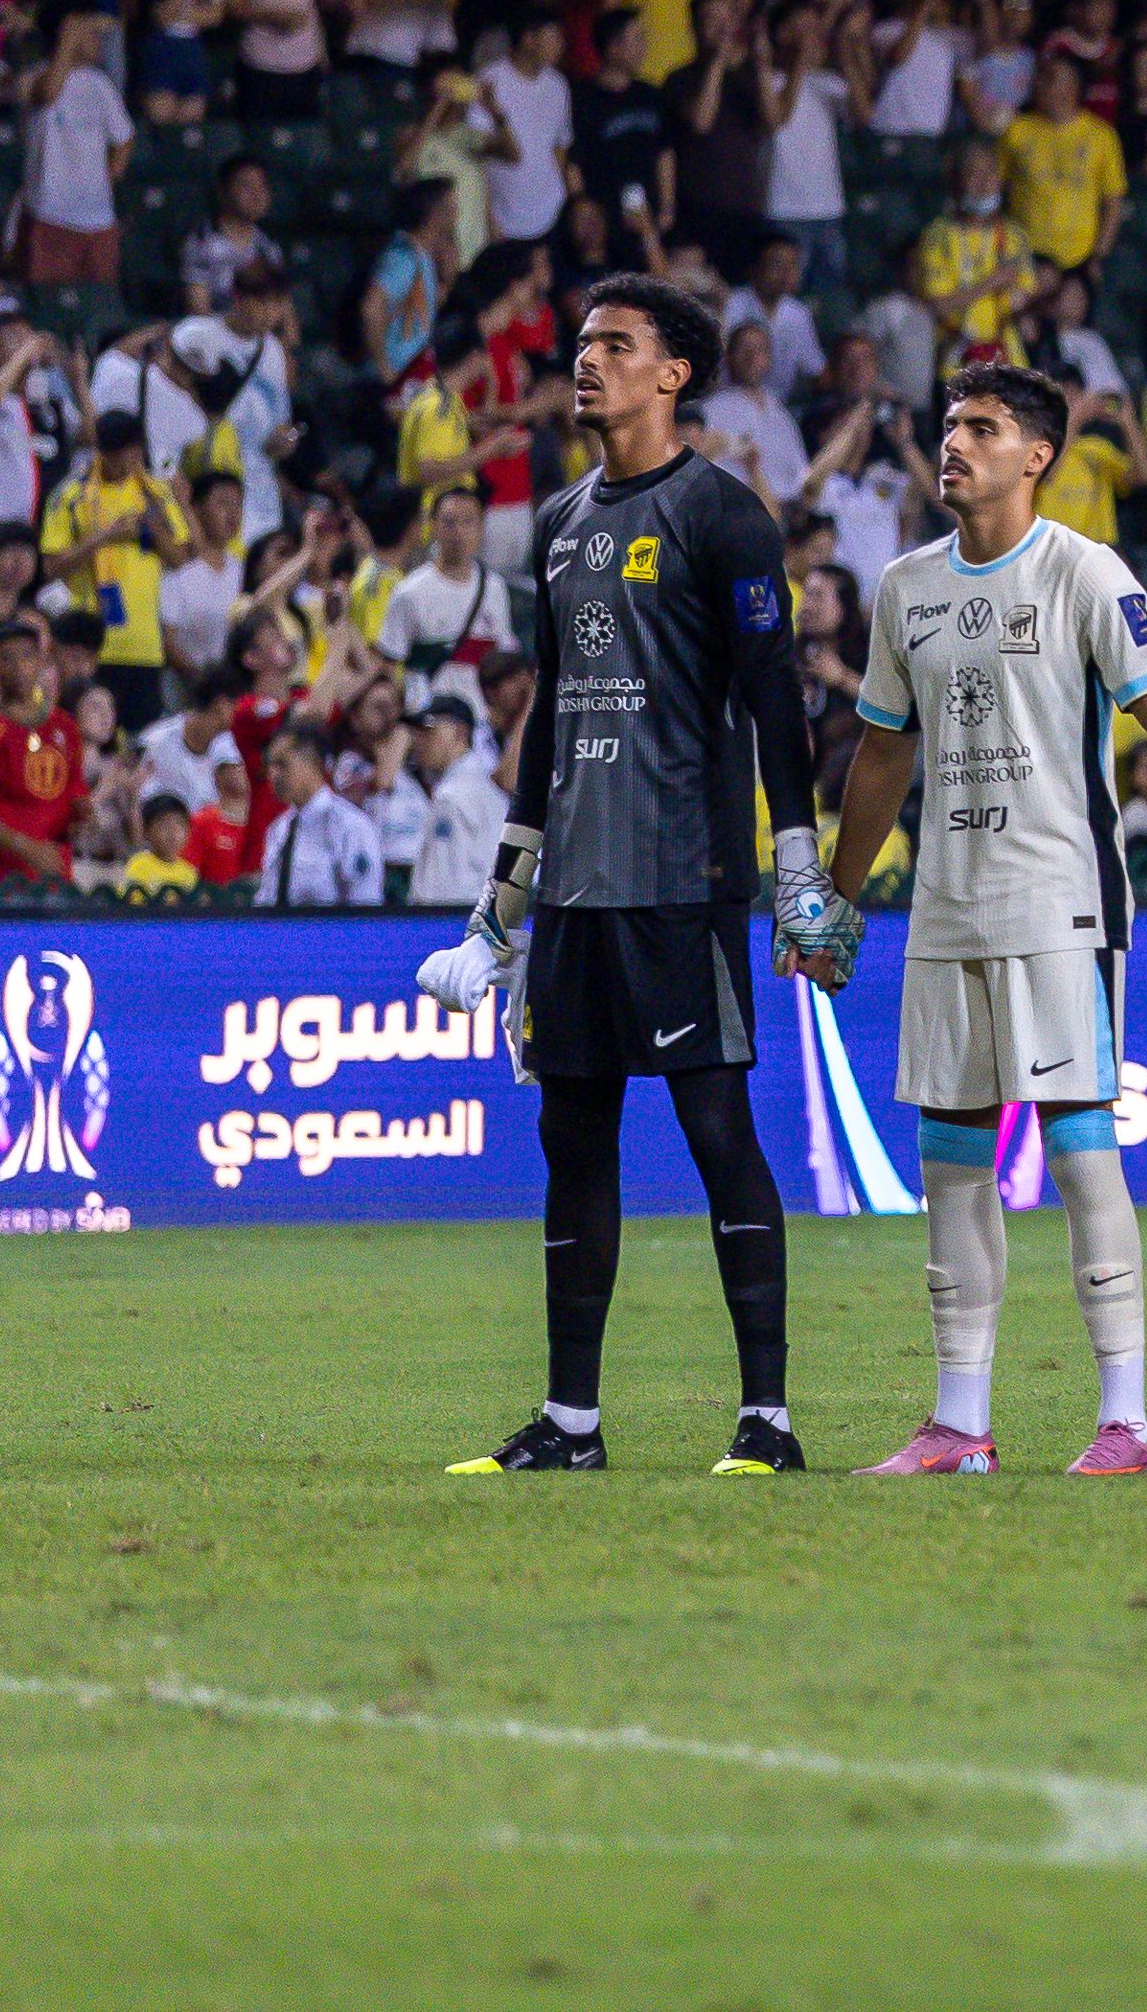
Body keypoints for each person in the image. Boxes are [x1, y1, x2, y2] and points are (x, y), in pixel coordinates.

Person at [415, 278, 833, 1475]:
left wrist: (792, 862)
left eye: (616, 346)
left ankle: (768, 1421)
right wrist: (499, 911)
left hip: (684, 876)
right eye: (583, 343)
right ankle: (571, 1425)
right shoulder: (556, 523)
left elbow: (772, 701)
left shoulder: (725, 514)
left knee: (716, 1130)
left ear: (673, 376)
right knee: (572, 1139)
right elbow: (549, 723)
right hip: (578, 895)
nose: (586, 362)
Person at [822, 361, 1147, 1476]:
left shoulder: (1085, 574)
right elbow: (882, 755)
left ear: (1036, 455)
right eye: (951, 424)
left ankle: (1124, 1421)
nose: (954, 443)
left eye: (982, 428)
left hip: (1061, 902)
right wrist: (835, 899)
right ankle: (959, 1424)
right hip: (948, 907)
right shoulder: (906, 584)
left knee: (1081, 1153)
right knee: (949, 1162)